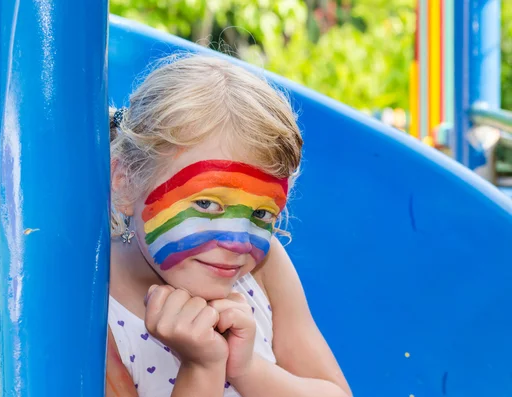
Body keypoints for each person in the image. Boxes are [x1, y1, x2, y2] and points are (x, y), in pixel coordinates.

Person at [105, 54, 351, 397]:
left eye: (261, 215)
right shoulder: (98, 312)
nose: (238, 240)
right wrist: (202, 366)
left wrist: (247, 369)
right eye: (206, 204)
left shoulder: (264, 268)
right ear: (125, 179)